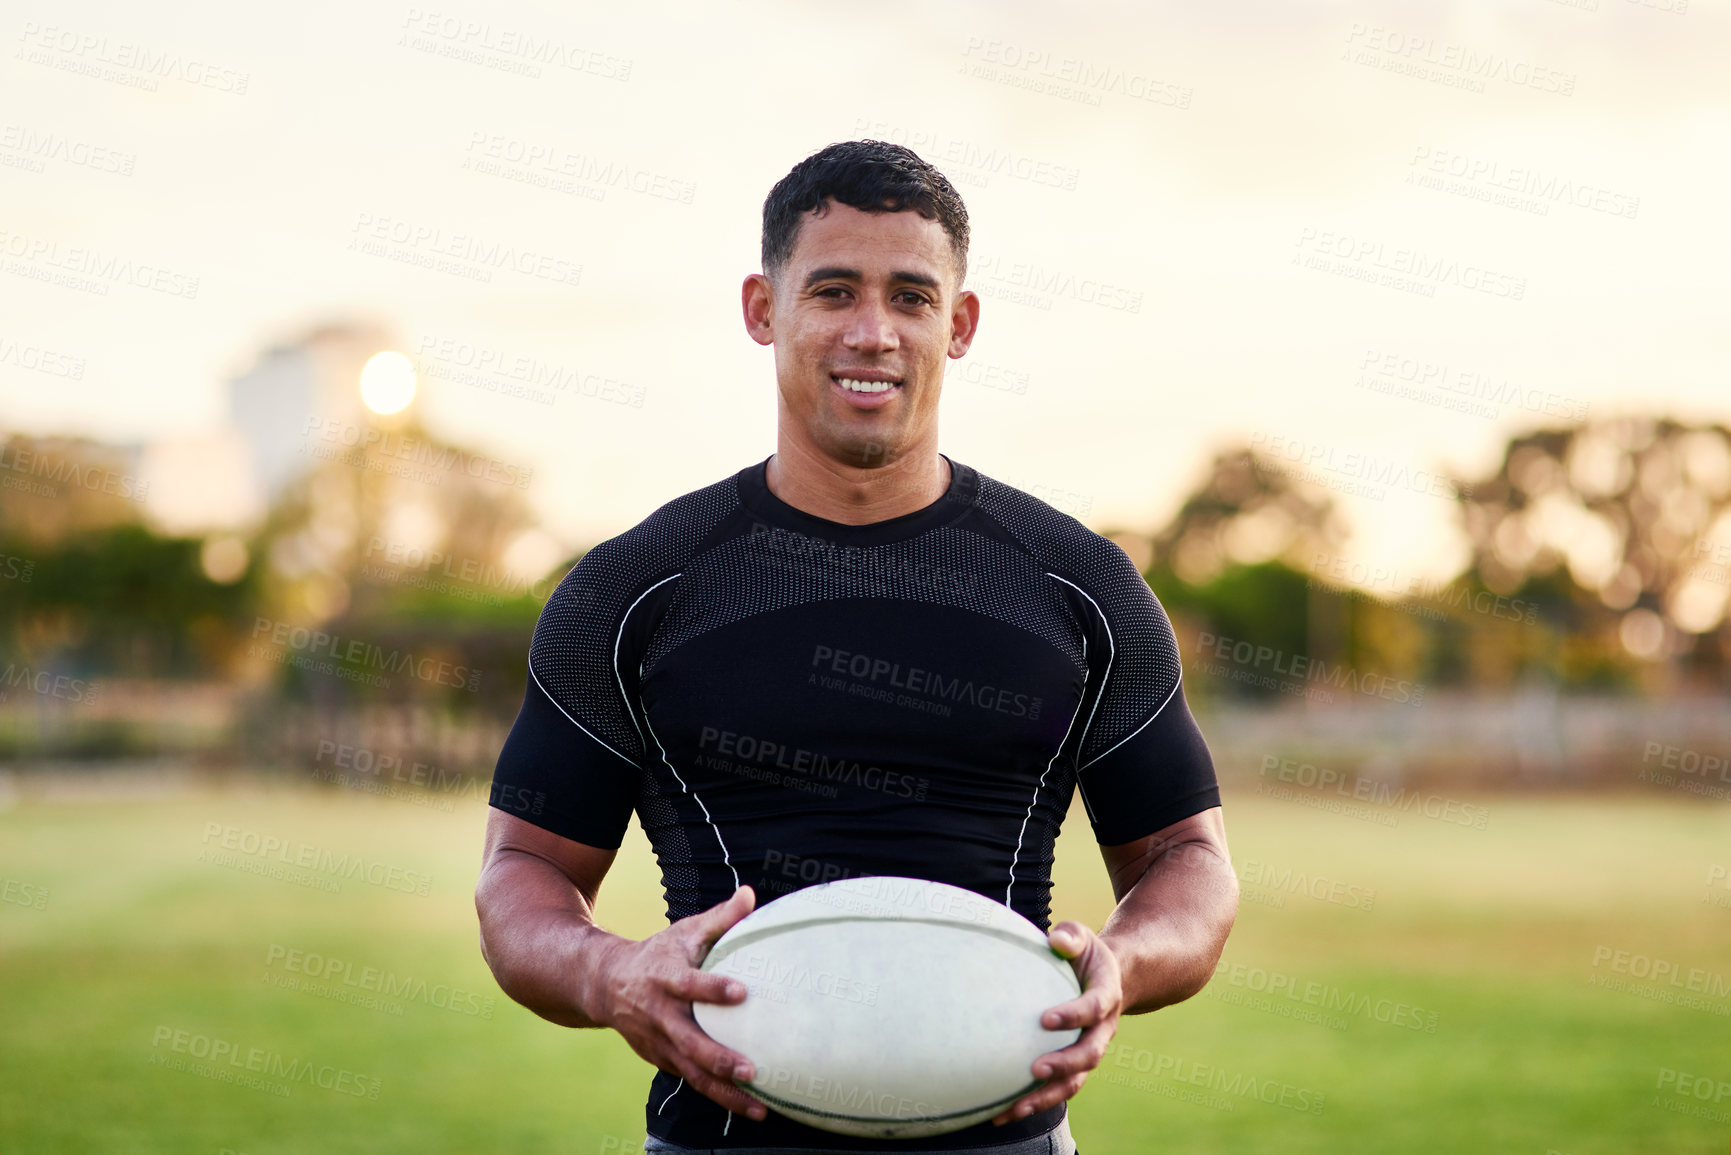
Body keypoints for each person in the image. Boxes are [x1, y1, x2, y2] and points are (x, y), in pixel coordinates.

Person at [475, 139, 1239, 1154]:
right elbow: (522, 872)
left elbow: (1189, 859)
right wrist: (608, 973)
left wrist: (1127, 963)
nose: (873, 332)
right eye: (833, 291)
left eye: (912, 297)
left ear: (959, 324)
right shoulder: (633, 591)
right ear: (762, 309)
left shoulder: (1078, 587)